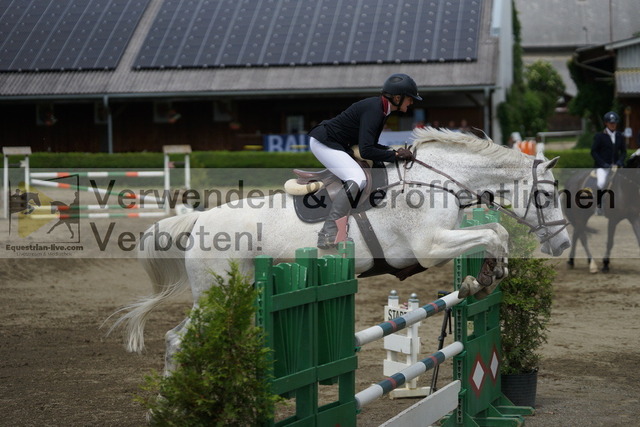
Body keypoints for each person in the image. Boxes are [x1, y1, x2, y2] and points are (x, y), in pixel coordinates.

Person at [308, 73, 421, 249]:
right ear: (397, 98)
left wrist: (394, 152)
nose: (411, 102)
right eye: (410, 98)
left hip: (336, 143)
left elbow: (371, 145)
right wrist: (395, 156)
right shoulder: (376, 110)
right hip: (324, 142)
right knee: (357, 178)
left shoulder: (383, 109)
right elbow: (366, 150)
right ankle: (328, 232)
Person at [591, 111, 626, 214]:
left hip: (617, 166)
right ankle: (599, 205)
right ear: (606, 123)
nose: (613, 125)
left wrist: (620, 162)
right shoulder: (599, 136)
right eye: (611, 123)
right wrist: (603, 164)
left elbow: (623, 152)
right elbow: (594, 152)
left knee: (628, 180)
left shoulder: (620, 135)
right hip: (603, 166)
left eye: (614, 123)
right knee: (601, 182)